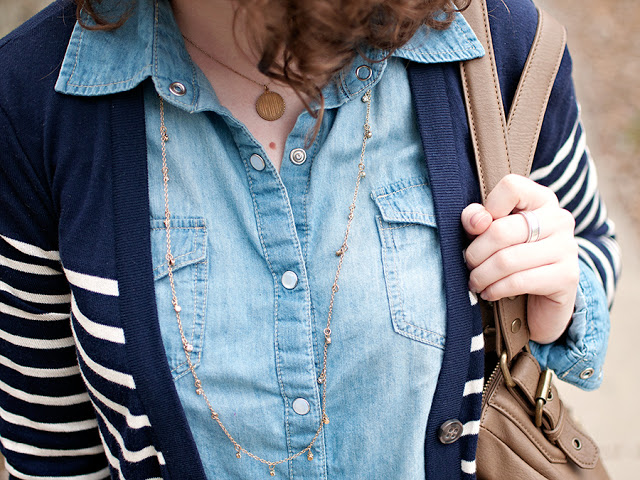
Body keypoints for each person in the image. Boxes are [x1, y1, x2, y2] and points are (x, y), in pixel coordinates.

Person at [0, 0, 619, 478]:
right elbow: (49, 444)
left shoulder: (498, 44)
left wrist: (561, 297)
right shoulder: (31, 98)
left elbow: (589, 244)